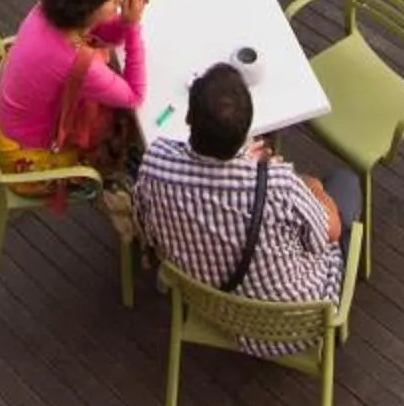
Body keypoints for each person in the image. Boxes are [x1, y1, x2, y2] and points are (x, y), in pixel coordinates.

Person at [134, 62, 360, 334]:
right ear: (246, 130)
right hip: (293, 327)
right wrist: (312, 185)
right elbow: (331, 231)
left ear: (188, 118)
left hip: (209, 308)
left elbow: (146, 224)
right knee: (345, 183)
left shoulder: (155, 163)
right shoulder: (280, 185)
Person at [0, 0, 149, 176]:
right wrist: (133, 27)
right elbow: (133, 96)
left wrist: (124, 20)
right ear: (87, 9)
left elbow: (97, 33)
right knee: (122, 126)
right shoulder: (75, 60)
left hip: (12, 115)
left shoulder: (47, 9)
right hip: (25, 147)